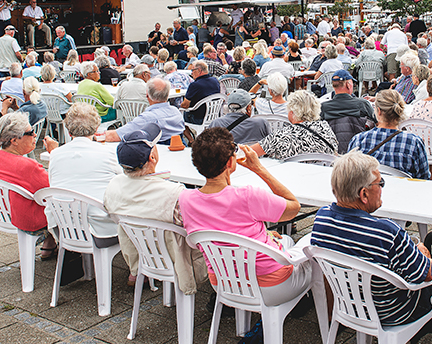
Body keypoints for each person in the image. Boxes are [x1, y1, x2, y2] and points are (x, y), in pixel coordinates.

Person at [179, 127, 311, 303]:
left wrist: (263, 235)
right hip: (271, 286)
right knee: (311, 247)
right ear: (229, 163)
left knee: (284, 240)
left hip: (222, 282)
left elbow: (222, 229)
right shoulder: (248, 196)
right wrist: (259, 168)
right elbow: (293, 208)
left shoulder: (185, 199)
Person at [310, 152, 432, 328]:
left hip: (347, 306)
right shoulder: (387, 232)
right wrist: (424, 255)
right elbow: (427, 274)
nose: (382, 188)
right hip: (391, 313)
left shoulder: (321, 218)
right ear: (364, 194)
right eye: (380, 183)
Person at [104, 127, 204, 290]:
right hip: (179, 262)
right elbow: (196, 229)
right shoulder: (174, 194)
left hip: (143, 256)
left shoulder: (113, 186)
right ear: (152, 156)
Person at [42, 103, 121, 247]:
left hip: (64, 227)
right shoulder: (108, 154)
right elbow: (123, 184)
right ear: (96, 128)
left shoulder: (55, 155)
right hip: (102, 230)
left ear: (69, 130)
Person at [0, 112, 57, 258]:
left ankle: (50, 243)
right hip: (28, 219)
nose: (35, 135)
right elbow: (54, 187)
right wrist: (55, 153)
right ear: (14, 140)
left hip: (4, 214)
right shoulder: (26, 166)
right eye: (30, 133)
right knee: (70, 204)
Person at [348, 89, 428, 179]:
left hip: (369, 191)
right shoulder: (413, 142)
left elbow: (350, 176)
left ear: (378, 111)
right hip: (403, 191)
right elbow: (423, 178)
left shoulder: (358, 141)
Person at [249, 90, 337, 159]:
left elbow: (248, 152)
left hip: (289, 180)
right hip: (323, 179)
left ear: (292, 112)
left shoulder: (282, 136)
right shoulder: (326, 128)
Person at [321, 69, 377, 153]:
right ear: (348, 85)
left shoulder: (323, 107)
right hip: (358, 151)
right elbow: (378, 122)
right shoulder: (362, 104)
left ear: (333, 86)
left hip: (332, 153)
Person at [181, 60, 220, 125]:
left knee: (181, 117)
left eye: (192, 70)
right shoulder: (215, 81)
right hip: (214, 115)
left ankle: (190, 135)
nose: (191, 73)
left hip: (198, 117)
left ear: (199, 70)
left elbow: (185, 105)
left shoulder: (195, 85)